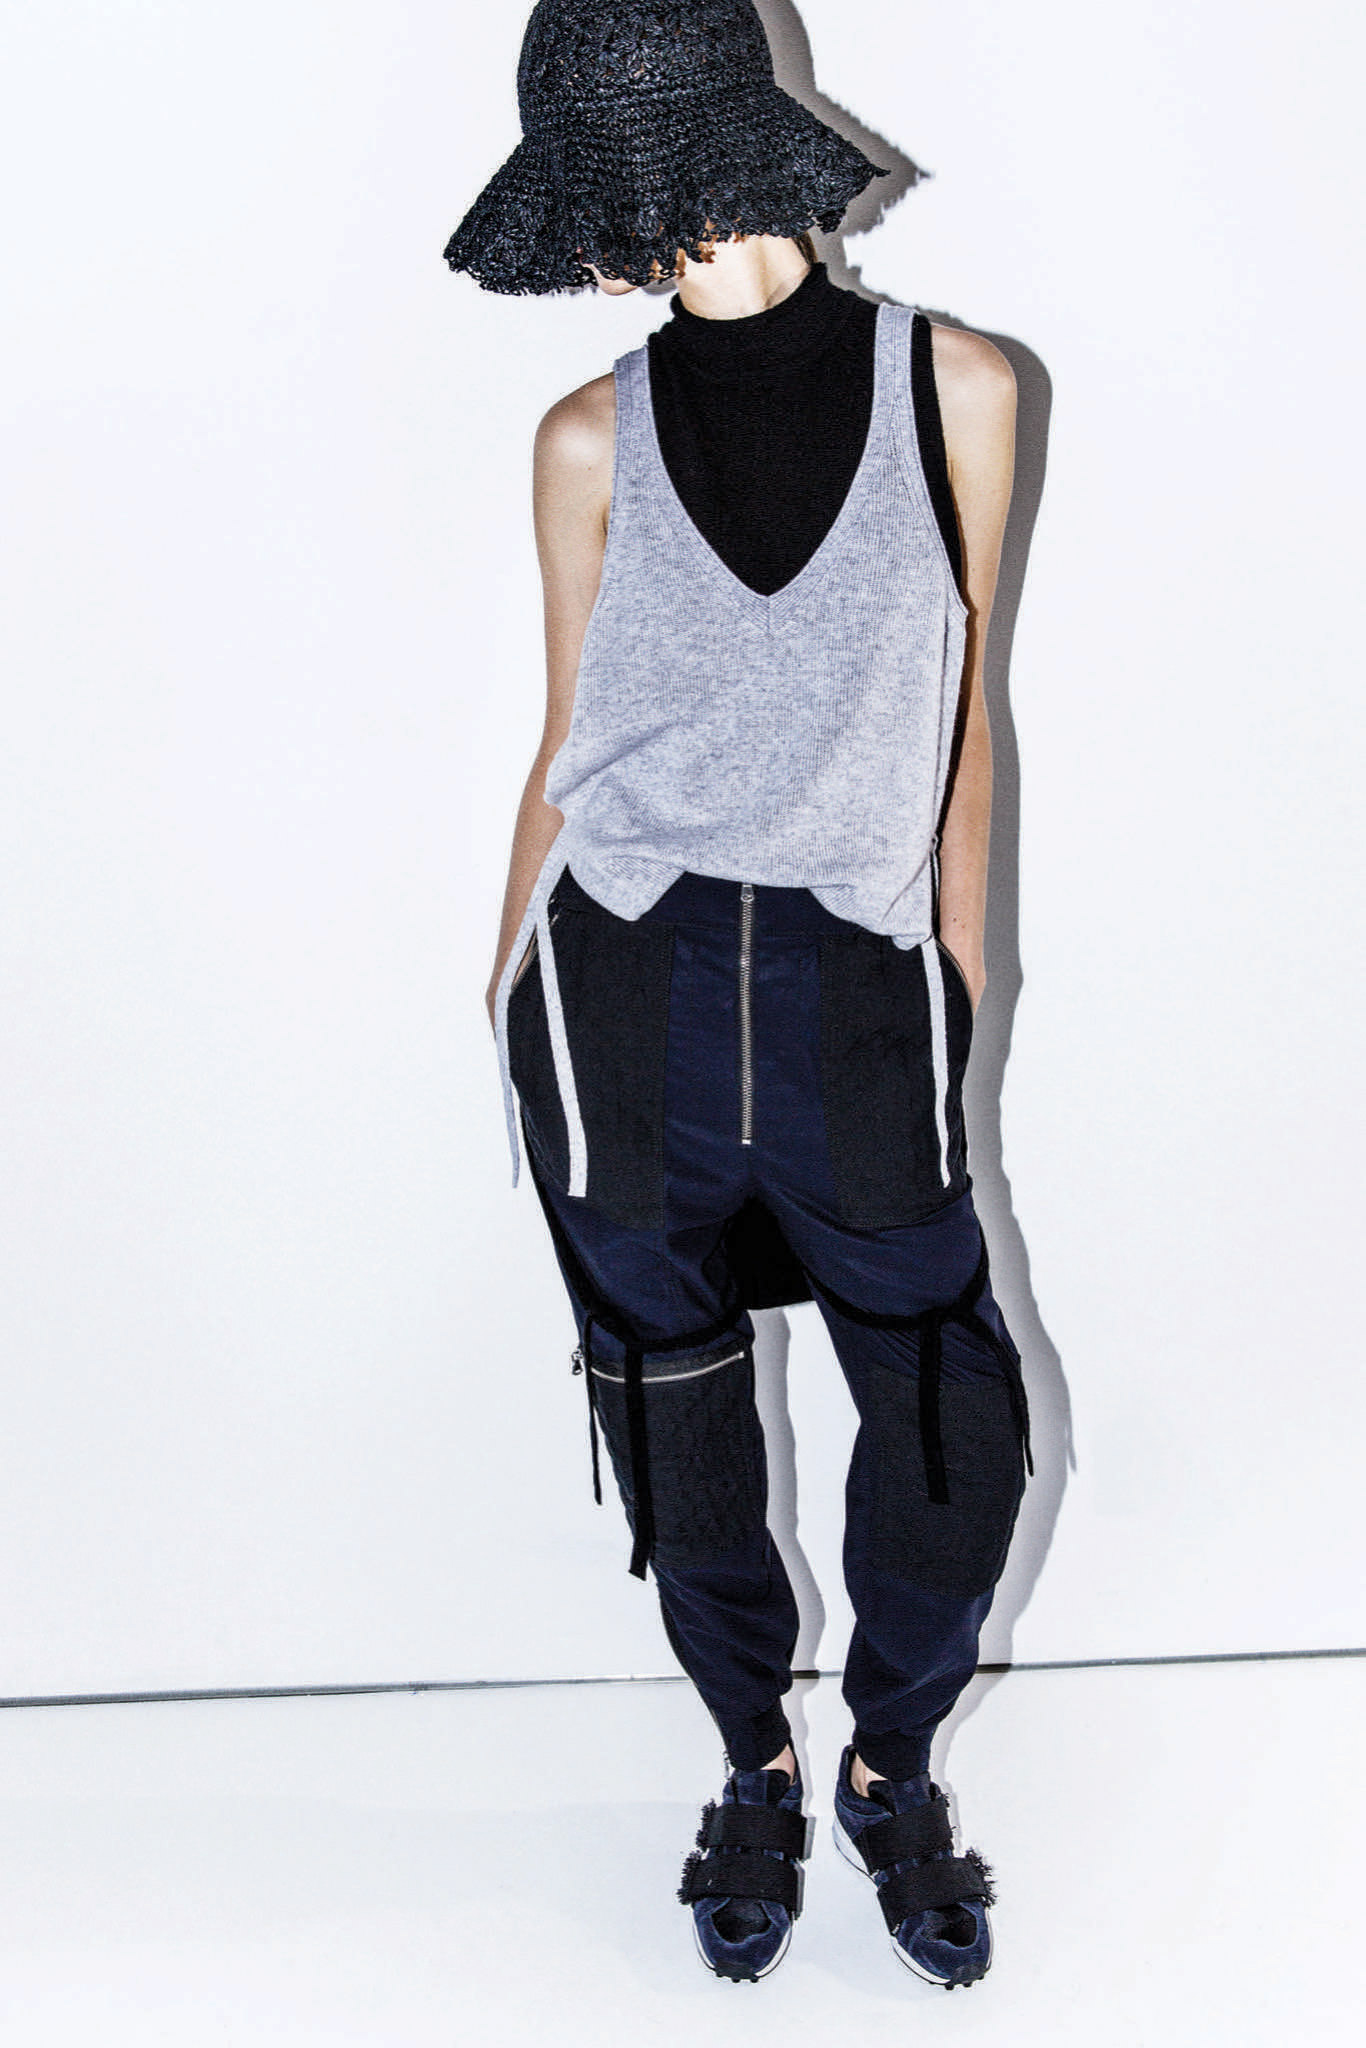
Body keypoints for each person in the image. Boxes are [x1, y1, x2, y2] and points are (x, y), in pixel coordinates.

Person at [444, 0, 1028, 1990]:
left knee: (944, 1416)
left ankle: (887, 1762)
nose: (613, 243)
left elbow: (963, 715)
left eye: (614, 190)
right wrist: (499, 994)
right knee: (679, 1426)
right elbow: (564, 739)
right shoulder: (584, 436)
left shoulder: (956, 387)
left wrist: (955, 984)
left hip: (864, 994)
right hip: (620, 995)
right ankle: (751, 1760)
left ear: (702, 154)